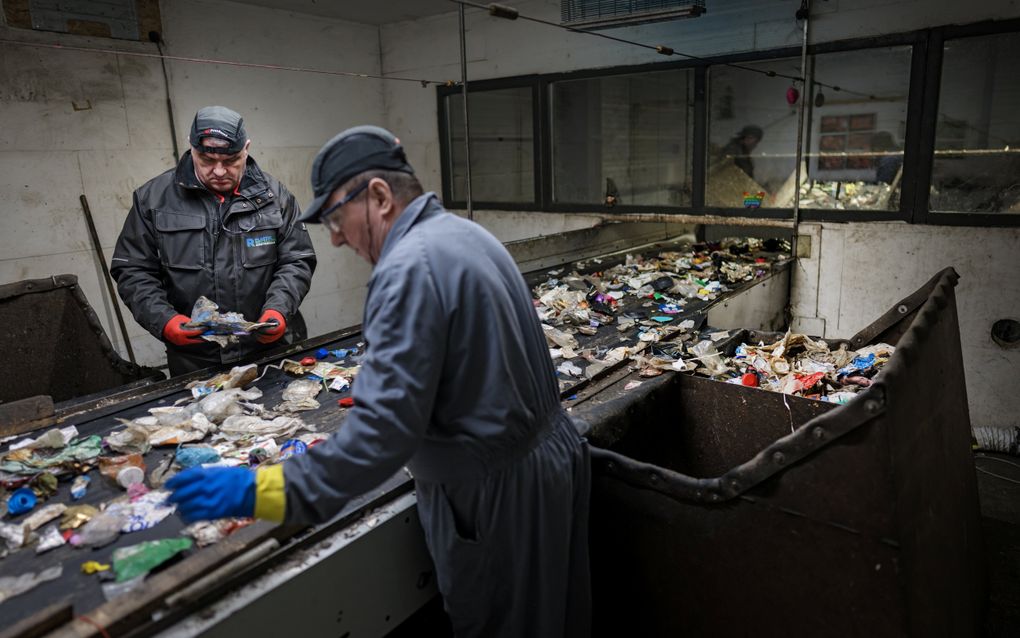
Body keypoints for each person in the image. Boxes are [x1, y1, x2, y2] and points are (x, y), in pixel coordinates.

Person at [166, 126, 592, 637]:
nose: (337, 237)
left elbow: (377, 441)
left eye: (337, 218)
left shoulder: (409, 268)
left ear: (380, 196)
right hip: (547, 465)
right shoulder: (464, 234)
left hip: (494, 499)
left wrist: (262, 490)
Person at [111, 106, 316, 376]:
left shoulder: (276, 198)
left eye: (231, 160)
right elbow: (133, 270)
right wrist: (165, 322)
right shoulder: (153, 200)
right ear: (192, 149)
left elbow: (297, 260)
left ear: (246, 149)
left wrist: (278, 310)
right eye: (207, 160)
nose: (219, 171)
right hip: (195, 358)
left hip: (270, 349)